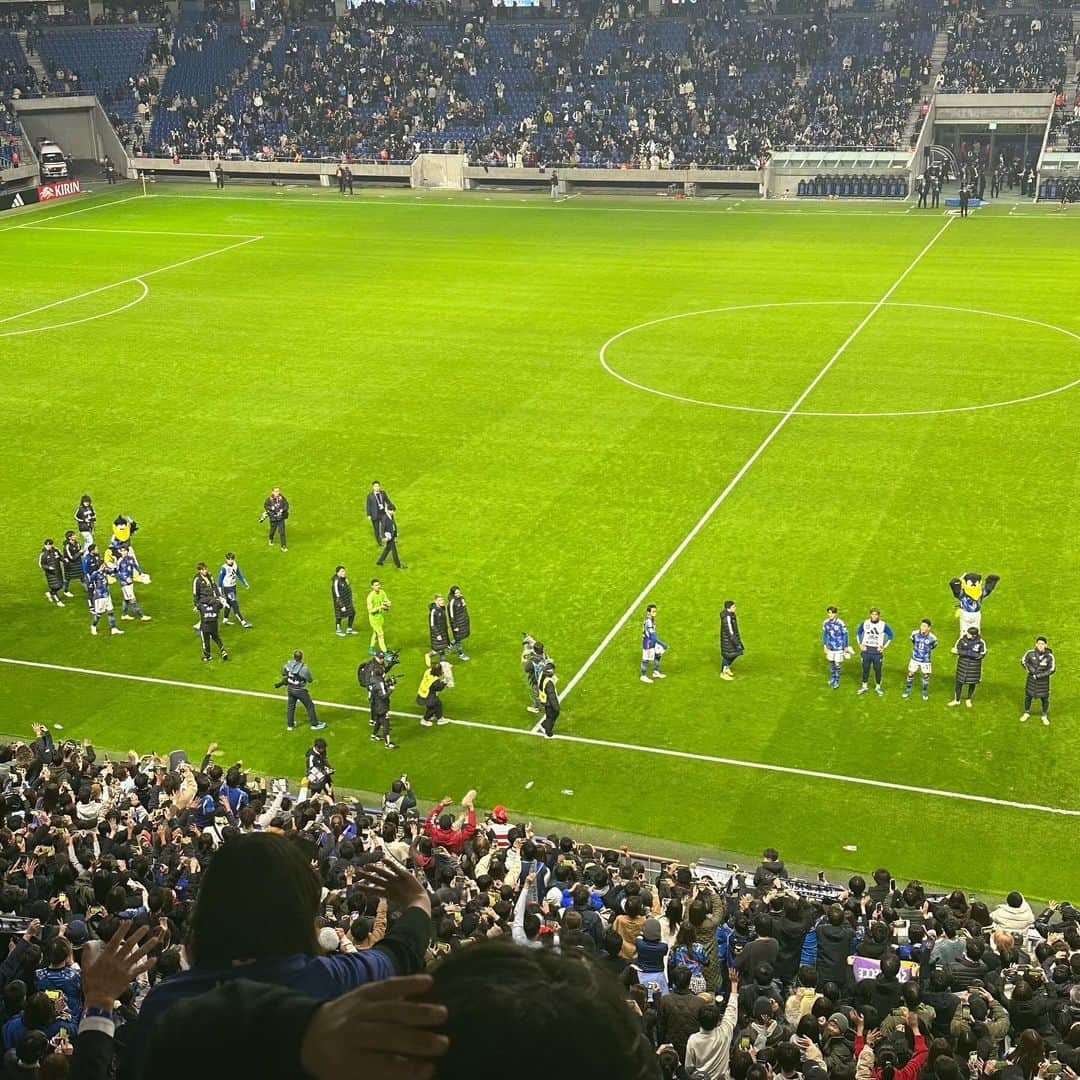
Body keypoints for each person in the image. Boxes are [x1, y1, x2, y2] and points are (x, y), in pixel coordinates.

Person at [129, 837, 432, 1075]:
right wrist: (418, 901)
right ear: (299, 916)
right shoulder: (329, 980)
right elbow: (399, 954)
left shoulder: (165, 1003)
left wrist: (99, 1011)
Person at [685, 972, 740, 1080]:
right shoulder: (724, 1033)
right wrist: (734, 985)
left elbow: (689, 1067)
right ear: (717, 1021)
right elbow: (731, 1010)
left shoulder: (693, 1040)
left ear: (699, 1020)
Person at [279, 650, 324, 730]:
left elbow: (283, 673)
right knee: (310, 706)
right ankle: (315, 724)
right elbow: (310, 680)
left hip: (290, 689)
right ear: (301, 657)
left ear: (294, 656)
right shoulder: (303, 668)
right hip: (300, 690)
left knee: (291, 707)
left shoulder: (288, 664)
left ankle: (290, 725)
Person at [362, 651, 397, 749]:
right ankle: (388, 744)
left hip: (376, 703)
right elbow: (383, 696)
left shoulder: (374, 679)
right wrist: (391, 689)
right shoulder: (378, 680)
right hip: (381, 705)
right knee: (385, 724)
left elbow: (377, 688)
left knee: (378, 720)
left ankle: (373, 735)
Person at [856, 608, 893, 696]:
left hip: (877, 652)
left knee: (878, 670)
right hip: (866, 651)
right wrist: (860, 644)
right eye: (872, 614)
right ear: (870, 615)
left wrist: (884, 646)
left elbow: (891, 635)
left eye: (876, 614)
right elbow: (858, 632)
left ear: (878, 616)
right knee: (865, 668)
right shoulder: (865, 623)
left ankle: (878, 686)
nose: (874, 616)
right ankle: (864, 686)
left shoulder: (883, 625)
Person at [947, 625, 986, 708]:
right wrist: (971, 654)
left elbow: (981, 655)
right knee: (959, 683)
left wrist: (966, 653)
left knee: (972, 683)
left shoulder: (981, 643)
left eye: (969, 633)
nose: (966, 634)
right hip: (962, 665)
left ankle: (968, 699)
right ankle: (956, 700)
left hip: (974, 667)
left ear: (974, 635)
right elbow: (958, 650)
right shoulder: (962, 640)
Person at [1019, 636, 1055, 726]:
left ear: (1046, 645)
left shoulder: (1050, 656)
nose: (1040, 645)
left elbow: (1052, 669)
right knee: (1028, 697)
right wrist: (1032, 671)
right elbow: (1024, 661)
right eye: (1039, 643)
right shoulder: (1030, 653)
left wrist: (1038, 675)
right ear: (1036, 644)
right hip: (1031, 681)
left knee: (1044, 699)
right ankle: (1026, 712)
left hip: (1043, 683)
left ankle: (1044, 715)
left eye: (1042, 644)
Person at [112, 543, 150, 622]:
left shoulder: (131, 558)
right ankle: (141, 616)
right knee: (132, 599)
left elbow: (135, 566)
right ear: (120, 552)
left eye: (125, 551)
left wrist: (141, 573)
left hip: (131, 581)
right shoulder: (119, 561)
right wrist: (125, 579)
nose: (123, 552)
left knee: (126, 599)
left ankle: (124, 615)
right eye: (122, 551)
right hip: (124, 584)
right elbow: (116, 573)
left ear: (127, 551)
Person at [902, 619, 937, 700]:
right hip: (915, 658)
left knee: (926, 675)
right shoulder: (914, 633)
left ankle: (924, 691)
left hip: (925, 660)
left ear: (929, 628)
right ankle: (908, 689)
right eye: (921, 625)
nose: (922, 627)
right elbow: (913, 641)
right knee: (911, 673)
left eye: (925, 626)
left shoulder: (933, 638)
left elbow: (934, 646)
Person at [218, 553, 253, 628]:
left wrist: (244, 583)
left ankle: (225, 619)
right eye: (229, 559)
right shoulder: (224, 568)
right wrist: (220, 590)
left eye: (232, 559)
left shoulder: (235, 565)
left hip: (233, 587)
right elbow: (220, 580)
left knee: (229, 603)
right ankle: (243, 622)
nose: (230, 561)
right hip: (228, 588)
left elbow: (239, 574)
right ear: (226, 559)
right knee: (234, 604)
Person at [87, 565, 122, 636]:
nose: (104, 566)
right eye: (103, 565)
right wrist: (92, 595)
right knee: (99, 614)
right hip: (100, 597)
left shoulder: (105, 571)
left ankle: (113, 628)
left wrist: (115, 566)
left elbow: (114, 571)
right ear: (100, 566)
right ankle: (93, 626)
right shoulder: (95, 574)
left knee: (110, 612)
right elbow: (90, 584)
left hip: (107, 595)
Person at [416, 652, 450, 728]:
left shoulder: (428, 672)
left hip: (422, 692)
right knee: (435, 705)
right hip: (427, 696)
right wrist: (445, 682)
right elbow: (439, 688)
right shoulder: (435, 681)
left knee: (435, 704)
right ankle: (425, 720)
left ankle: (439, 717)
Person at [822, 606, 851, 689]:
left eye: (832, 613)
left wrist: (845, 646)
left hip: (839, 647)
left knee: (837, 664)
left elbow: (845, 634)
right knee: (831, 663)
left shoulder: (840, 623)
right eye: (829, 613)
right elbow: (824, 635)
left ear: (835, 614)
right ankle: (833, 678)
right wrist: (825, 646)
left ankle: (837, 681)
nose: (830, 615)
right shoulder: (825, 623)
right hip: (830, 647)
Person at [197, 591, 229, 663]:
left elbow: (198, 606)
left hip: (205, 626)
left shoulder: (201, 605)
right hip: (214, 625)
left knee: (206, 641)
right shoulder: (217, 604)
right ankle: (223, 650)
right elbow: (221, 605)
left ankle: (207, 656)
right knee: (216, 638)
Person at [640, 603, 668, 683]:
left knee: (658, 654)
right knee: (645, 660)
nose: (655, 613)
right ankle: (643, 676)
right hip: (648, 642)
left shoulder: (651, 619)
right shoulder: (649, 621)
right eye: (653, 611)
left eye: (655, 611)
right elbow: (653, 636)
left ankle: (655, 672)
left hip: (652, 641)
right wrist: (662, 643)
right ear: (648, 612)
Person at [720, 599, 743, 680]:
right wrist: (736, 643)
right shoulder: (727, 617)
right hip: (729, 641)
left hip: (731, 640)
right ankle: (723, 673)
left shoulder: (730, 614)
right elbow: (730, 632)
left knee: (734, 654)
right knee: (728, 656)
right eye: (733, 606)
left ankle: (726, 668)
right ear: (728, 608)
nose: (735, 608)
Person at [260, 487, 289, 551]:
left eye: (278, 491)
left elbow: (286, 505)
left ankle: (283, 546)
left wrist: (282, 510)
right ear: (272, 492)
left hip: (281, 518)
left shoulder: (282, 498)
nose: (277, 493)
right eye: (276, 491)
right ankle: (271, 538)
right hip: (273, 518)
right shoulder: (269, 499)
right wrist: (271, 508)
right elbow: (265, 506)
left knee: (282, 532)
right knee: (272, 531)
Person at [39, 539, 66, 607]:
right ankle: (58, 601)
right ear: (45, 545)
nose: (49, 546)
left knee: (61, 585)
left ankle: (50, 593)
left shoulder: (55, 550)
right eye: (47, 545)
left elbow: (60, 557)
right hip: (50, 573)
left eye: (50, 545)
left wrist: (64, 560)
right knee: (54, 586)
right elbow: (41, 564)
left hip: (58, 571)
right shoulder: (43, 554)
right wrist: (48, 568)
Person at [366, 579, 390, 654]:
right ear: (372, 587)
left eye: (379, 584)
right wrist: (381, 607)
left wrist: (388, 605)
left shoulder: (382, 592)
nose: (378, 586)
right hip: (374, 619)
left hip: (380, 618)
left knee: (375, 633)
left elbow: (386, 601)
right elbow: (370, 610)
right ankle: (385, 653)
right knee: (381, 635)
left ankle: (371, 649)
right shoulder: (370, 597)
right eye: (376, 585)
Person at [332, 566, 357, 637]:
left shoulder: (344, 579)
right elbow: (336, 594)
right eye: (342, 571)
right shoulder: (336, 582)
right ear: (337, 573)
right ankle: (338, 630)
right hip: (340, 602)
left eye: (344, 571)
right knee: (339, 615)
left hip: (347, 600)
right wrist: (341, 605)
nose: (344, 572)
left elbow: (347, 589)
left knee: (352, 612)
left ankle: (349, 628)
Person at [447, 585, 471, 660]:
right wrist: (455, 626)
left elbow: (463, 608)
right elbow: (451, 616)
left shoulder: (461, 598)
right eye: (456, 593)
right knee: (458, 639)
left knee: (460, 637)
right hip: (457, 624)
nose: (458, 594)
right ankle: (461, 654)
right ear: (453, 594)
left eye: (459, 592)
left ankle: (450, 644)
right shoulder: (452, 603)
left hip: (463, 621)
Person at [538, 660, 560, 738]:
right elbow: (552, 696)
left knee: (549, 715)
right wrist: (556, 707)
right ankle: (547, 731)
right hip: (548, 701)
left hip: (543, 699)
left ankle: (544, 725)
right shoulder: (549, 682)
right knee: (552, 715)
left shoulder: (542, 675)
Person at [60, 531, 82, 597]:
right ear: (69, 537)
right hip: (70, 565)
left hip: (78, 563)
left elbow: (79, 550)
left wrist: (82, 552)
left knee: (82, 577)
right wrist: (80, 553)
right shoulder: (67, 546)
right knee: (68, 578)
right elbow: (71, 557)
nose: (75, 536)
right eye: (73, 535)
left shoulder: (77, 543)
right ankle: (66, 591)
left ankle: (89, 589)